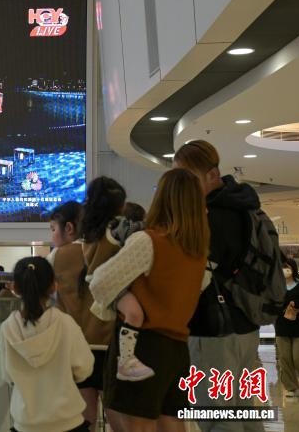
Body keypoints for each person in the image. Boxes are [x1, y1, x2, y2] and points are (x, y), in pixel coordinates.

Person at [89, 168, 209, 432]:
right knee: (172, 423)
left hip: (140, 346)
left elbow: (100, 282)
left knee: (136, 424)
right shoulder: (197, 253)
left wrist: (123, 298)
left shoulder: (148, 241)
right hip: (178, 348)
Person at [174, 140, 267, 432]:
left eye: (187, 177)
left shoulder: (209, 217)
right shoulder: (245, 209)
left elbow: (196, 276)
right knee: (245, 412)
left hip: (212, 328)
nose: (182, 185)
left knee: (217, 417)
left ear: (212, 175)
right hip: (246, 325)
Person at [1, 256, 94, 432]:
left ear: (15, 288)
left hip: (26, 424)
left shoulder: (7, 328)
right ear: (53, 286)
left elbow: (8, 375)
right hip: (67, 421)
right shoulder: (66, 323)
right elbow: (84, 368)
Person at [80, 176, 150, 382]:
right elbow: (142, 233)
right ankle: (127, 360)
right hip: (112, 284)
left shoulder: (89, 230)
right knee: (135, 314)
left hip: (96, 285)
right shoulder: (117, 227)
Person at [46, 201, 104, 427]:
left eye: (53, 229)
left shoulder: (57, 256)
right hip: (108, 343)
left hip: (76, 346)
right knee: (117, 418)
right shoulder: (102, 249)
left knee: (85, 417)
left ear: (69, 228)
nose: (52, 236)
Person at [275, 256, 299, 397]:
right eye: (281, 267)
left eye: (286, 267)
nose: (284, 270)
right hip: (282, 327)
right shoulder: (276, 287)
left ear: (293, 268)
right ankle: (290, 387)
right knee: (284, 358)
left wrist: (296, 304)